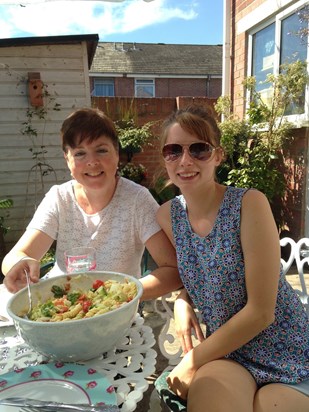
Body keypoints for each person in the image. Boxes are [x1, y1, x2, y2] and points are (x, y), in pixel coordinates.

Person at [143, 105, 309, 411]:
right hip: (229, 350)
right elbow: (197, 271)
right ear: (165, 159)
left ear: (218, 156)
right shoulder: (168, 216)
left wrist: (191, 362)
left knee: (266, 405)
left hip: (286, 347)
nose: (185, 160)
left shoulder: (249, 204)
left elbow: (261, 312)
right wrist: (182, 299)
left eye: (199, 149)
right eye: (173, 150)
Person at [2, 107, 181, 295]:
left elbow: (172, 269)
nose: (92, 162)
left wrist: (122, 294)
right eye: (80, 153)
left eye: (101, 150)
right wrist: (21, 265)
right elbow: (14, 257)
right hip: (61, 307)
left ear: (117, 153)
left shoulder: (137, 199)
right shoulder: (59, 198)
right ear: (67, 159)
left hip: (116, 312)